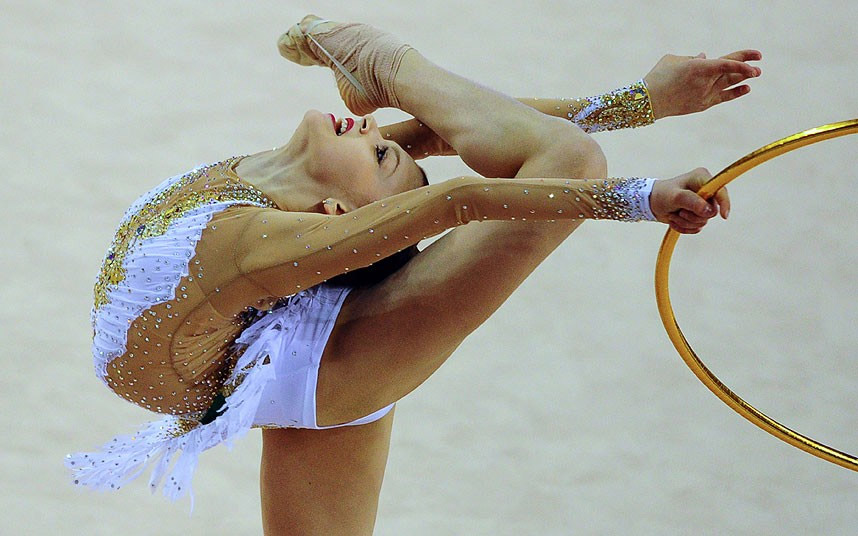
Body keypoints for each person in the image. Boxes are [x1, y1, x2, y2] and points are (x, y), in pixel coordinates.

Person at [66, 14, 760, 534]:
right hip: (286, 348)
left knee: (571, 163)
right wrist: (642, 101)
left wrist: (634, 198)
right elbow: (437, 134)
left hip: (319, 361)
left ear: (336, 215)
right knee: (547, 152)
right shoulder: (276, 187)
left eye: (379, 155)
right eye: (379, 145)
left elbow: (457, 200)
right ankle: (384, 69)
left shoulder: (264, 233)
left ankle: (391, 65)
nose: (374, 132)